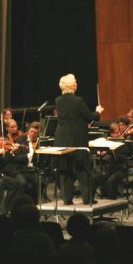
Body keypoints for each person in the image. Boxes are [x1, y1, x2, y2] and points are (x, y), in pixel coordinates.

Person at [53, 74, 104, 205]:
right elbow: (90, 117)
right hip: (77, 137)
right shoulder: (78, 101)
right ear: (74, 85)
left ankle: (66, 198)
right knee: (83, 167)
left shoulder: (58, 100)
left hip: (62, 138)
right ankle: (87, 198)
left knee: (66, 168)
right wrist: (98, 111)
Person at [8, 121, 41, 203]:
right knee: (24, 183)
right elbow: (16, 158)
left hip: (33, 169)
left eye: (35, 133)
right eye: (31, 131)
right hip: (21, 169)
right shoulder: (20, 140)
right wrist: (29, 155)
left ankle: (34, 204)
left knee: (38, 181)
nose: (33, 134)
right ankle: (20, 204)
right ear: (28, 131)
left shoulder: (39, 143)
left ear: (38, 134)